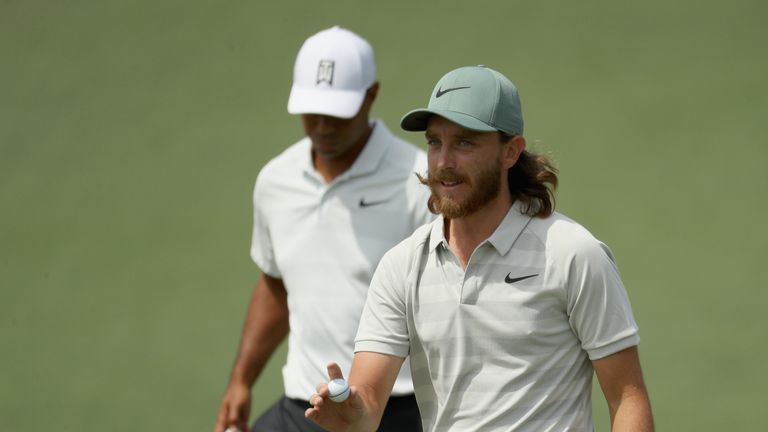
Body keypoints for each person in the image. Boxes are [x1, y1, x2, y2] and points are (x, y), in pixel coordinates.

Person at [305, 65, 654, 431]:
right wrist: (349, 414)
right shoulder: (401, 266)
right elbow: (368, 408)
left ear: (511, 152)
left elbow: (627, 398)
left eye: (465, 142)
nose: (443, 161)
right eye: (434, 142)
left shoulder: (574, 254)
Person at [214, 26, 433, 432]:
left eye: (337, 110)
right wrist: (241, 380)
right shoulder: (275, 181)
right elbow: (277, 285)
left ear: (371, 95)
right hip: (304, 406)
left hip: (399, 411)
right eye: (313, 109)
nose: (323, 124)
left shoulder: (420, 180)